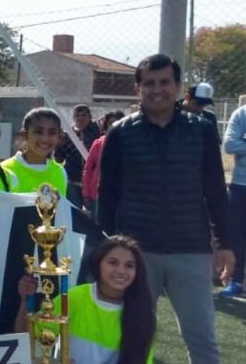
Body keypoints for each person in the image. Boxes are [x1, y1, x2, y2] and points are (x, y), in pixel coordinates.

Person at [98, 54, 235, 364]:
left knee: (201, 339)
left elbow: (215, 191)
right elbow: (107, 195)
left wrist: (225, 244)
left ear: (178, 87)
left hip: (191, 249)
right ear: (137, 88)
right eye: (149, 83)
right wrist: (106, 245)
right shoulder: (120, 133)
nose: (157, 89)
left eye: (164, 82)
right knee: (131, 338)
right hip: (135, 253)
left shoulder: (201, 130)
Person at [15, 235, 155, 364]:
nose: (121, 270)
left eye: (129, 266)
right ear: (98, 264)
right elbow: (26, 337)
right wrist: (26, 301)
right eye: (113, 262)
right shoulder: (74, 298)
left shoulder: (143, 314)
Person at [1, 107, 68, 197]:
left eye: (52, 133)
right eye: (38, 132)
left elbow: (62, 209)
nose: (45, 139)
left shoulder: (60, 172)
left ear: (59, 136)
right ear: (25, 135)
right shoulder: (5, 170)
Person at [54, 104, 100, 209]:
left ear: (89, 117)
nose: (80, 118)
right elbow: (59, 159)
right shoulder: (67, 136)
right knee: (74, 212)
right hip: (73, 181)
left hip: (92, 183)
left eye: (83, 115)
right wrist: (58, 145)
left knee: (95, 215)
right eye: (77, 115)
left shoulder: (97, 134)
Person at [81, 110, 125, 220]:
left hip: (121, 196)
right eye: (111, 122)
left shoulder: (129, 144)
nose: (114, 125)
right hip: (98, 195)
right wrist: (86, 193)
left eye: (118, 122)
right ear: (106, 125)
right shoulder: (98, 143)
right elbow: (88, 169)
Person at [222, 103, 246, 297]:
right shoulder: (242, 113)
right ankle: (236, 281)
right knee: (237, 236)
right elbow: (229, 144)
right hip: (241, 185)